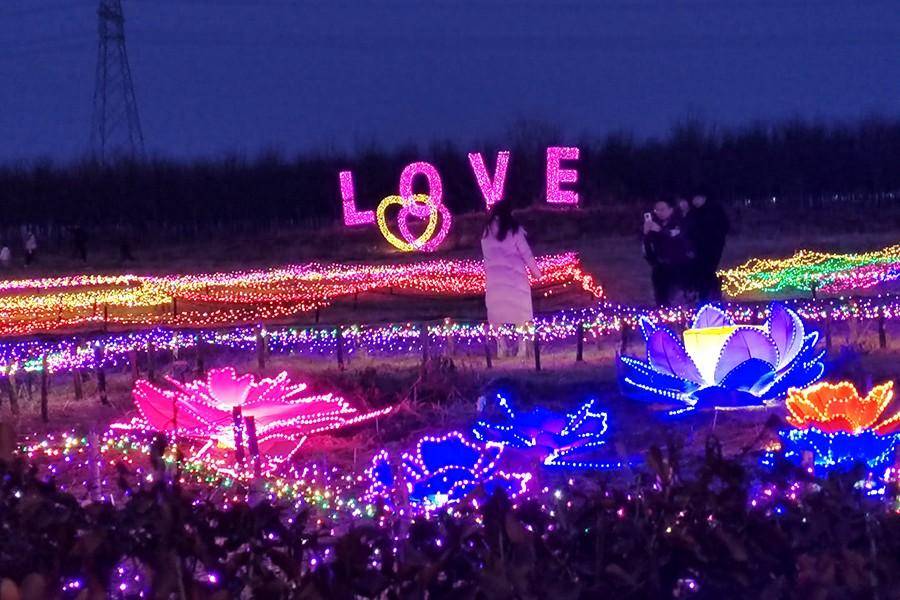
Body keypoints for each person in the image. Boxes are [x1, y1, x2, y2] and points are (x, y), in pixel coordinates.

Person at [481, 200, 542, 358]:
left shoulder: (486, 233)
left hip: (495, 281)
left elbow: (487, 256)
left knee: (497, 315)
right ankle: (522, 348)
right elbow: (526, 254)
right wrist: (537, 274)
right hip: (516, 279)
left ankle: (502, 348)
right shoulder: (514, 231)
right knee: (521, 314)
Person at [642, 199, 694, 306]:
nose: (659, 212)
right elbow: (648, 246)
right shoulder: (653, 224)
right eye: (656, 210)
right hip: (660, 267)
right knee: (661, 298)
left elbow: (677, 236)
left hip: (678, 266)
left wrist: (660, 230)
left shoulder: (679, 222)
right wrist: (646, 234)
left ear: (670, 210)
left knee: (678, 297)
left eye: (662, 209)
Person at [684, 192, 730, 301]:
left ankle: (709, 294)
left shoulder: (714, 210)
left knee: (707, 271)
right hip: (697, 248)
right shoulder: (693, 212)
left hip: (712, 247)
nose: (694, 201)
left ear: (702, 198)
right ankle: (706, 294)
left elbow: (723, 227)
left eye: (696, 198)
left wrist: (715, 239)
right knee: (702, 271)